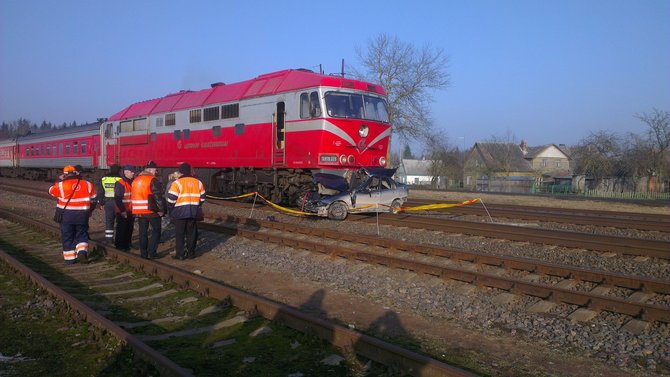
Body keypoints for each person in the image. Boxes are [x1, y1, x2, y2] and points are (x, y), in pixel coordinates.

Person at [48, 165, 97, 264]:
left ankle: (70, 259)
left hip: (66, 216)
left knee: (67, 236)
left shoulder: (61, 185)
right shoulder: (87, 184)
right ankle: (82, 252)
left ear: (65, 175)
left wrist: (59, 180)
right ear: (76, 173)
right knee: (82, 234)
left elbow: (51, 191)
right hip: (82, 215)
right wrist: (90, 210)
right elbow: (94, 199)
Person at [166, 162, 205, 260]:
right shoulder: (198, 182)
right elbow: (203, 198)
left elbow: (171, 199)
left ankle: (180, 254)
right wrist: (197, 204)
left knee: (180, 234)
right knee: (191, 233)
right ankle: (191, 253)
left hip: (179, 213)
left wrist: (171, 208)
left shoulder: (177, 183)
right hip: (193, 212)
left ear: (181, 172)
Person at [131, 160, 164, 259]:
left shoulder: (136, 180)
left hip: (139, 211)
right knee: (156, 230)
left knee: (143, 233)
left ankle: (143, 253)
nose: (156, 172)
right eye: (155, 170)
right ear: (149, 170)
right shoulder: (152, 180)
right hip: (151, 210)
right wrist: (161, 209)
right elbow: (157, 196)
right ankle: (152, 252)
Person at [97, 164, 121, 243]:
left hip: (108, 202)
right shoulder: (120, 179)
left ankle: (109, 239)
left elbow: (100, 192)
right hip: (118, 202)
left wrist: (101, 203)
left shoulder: (104, 179)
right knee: (119, 221)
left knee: (109, 220)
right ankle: (119, 239)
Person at [114, 165, 135, 251]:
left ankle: (127, 244)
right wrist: (122, 211)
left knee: (129, 228)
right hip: (122, 210)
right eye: (132, 172)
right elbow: (118, 198)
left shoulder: (132, 182)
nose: (133, 173)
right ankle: (120, 245)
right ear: (126, 172)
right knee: (122, 228)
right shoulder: (120, 183)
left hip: (131, 210)